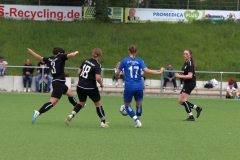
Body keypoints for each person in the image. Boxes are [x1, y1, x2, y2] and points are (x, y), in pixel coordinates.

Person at [116, 45, 165, 128]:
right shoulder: (140, 61)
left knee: (127, 106)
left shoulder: (124, 61)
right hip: (139, 85)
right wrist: (159, 72)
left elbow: (117, 72)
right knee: (139, 104)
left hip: (129, 86)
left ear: (129, 51)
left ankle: (137, 121)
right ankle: (138, 119)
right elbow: (147, 71)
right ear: (136, 52)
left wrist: (117, 75)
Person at [27, 47, 78, 124]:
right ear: (58, 53)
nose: (63, 54)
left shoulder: (50, 59)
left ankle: (78, 106)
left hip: (57, 82)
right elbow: (70, 55)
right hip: (59, 83)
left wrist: (31, 52)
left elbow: (40, 58)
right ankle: (38, 112)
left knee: (70, 93)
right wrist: (75, 52)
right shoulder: (61, 56)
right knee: (53, 102)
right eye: (62, 53)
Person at [65, 48, 109, 128]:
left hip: (80, 86)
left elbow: (78, 72)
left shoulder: (86, 61)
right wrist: (101, 84)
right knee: (98, 104)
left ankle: (72, 114)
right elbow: (98, 77)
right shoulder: (97, 64)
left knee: (81, 102)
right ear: (99, 56)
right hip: (91, 88)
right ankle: (103, 122)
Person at [174, 49, 203, 121]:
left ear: (190, 55)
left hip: (190, 83)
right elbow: (184, 73)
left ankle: (191, 116)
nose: (185, 55)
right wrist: (179, 74)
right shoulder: (186, 63)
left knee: (183, 100)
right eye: (184, 54)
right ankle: (197, 108)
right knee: (180, 101)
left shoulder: (190, 63)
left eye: (186, 54)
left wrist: (179, 76)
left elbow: (190, 76)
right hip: (187, 83)